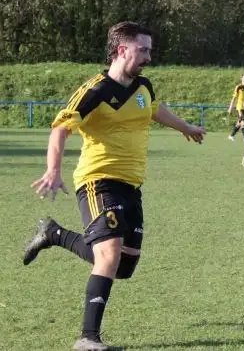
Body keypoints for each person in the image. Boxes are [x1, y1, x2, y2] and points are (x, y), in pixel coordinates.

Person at [22, 21, 206, 351]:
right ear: (122, 50)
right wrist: (53, 169)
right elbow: (60, 129)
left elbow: (154, 110)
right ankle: (87, 339)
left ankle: (54, 234)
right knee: (108, 254)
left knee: (123, 266)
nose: (149, 56)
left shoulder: (144, 86)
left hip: (131, 186)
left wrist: (185, 127)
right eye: (143, 50)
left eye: (149, 50)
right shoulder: (95, 91)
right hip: (97, 180)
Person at [227, 73, 244, 142]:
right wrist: (230, 107)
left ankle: (231, 135)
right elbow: (234, 98)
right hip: (240, 107)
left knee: (239, 123)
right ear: (242, 78)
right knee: (243, 122)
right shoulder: (238, 87)